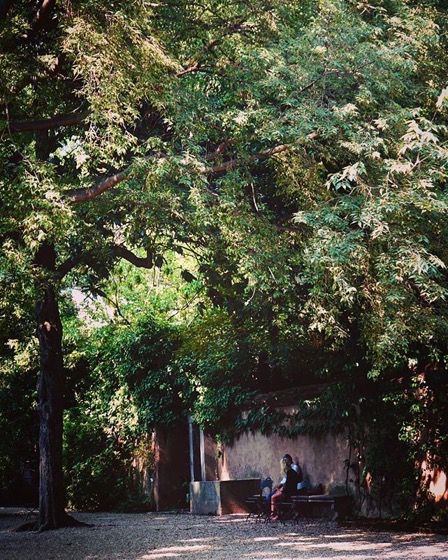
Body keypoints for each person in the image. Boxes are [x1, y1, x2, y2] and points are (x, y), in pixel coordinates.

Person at [270, 455, 300, 520]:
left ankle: (275, 514)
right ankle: (277, 514)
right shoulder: (291, 471)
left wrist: (282, 489)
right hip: (292, 491)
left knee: (273, 497)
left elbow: (288, 485)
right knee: (274, 496)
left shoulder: (289, 472)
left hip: (289, 493)